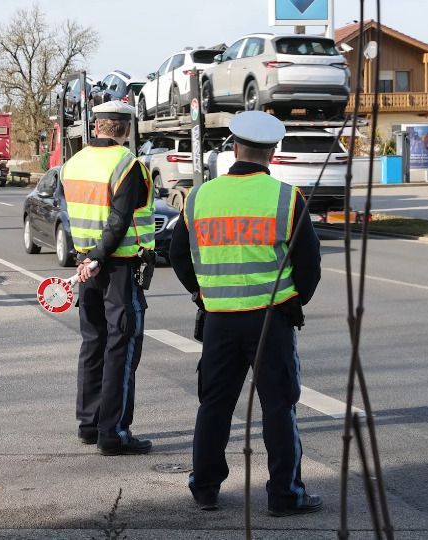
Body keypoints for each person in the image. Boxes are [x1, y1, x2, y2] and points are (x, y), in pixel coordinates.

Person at [168, 111, 323, 516]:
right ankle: (285, 495)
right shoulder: (287, 198)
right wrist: (294, 300)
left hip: (218, 319)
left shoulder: (199, 197)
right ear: (272, 153)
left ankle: (204, 489)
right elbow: (309, 266)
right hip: (271, 319)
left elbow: (178, 256)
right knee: (277, 406)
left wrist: (204, 294)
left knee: (214, 405)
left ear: (234, 148)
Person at [59, 100, 156, 456]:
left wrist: (84, 257)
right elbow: (119, 220)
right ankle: (114, 432)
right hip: (117, 267)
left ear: (96, 126)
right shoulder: (126, 164)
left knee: (93, 342)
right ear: (125, 128)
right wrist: (100, 256)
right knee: (122, 346)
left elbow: (69, 215)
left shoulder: (72, 164)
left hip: (86, 266)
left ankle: (89, 424)